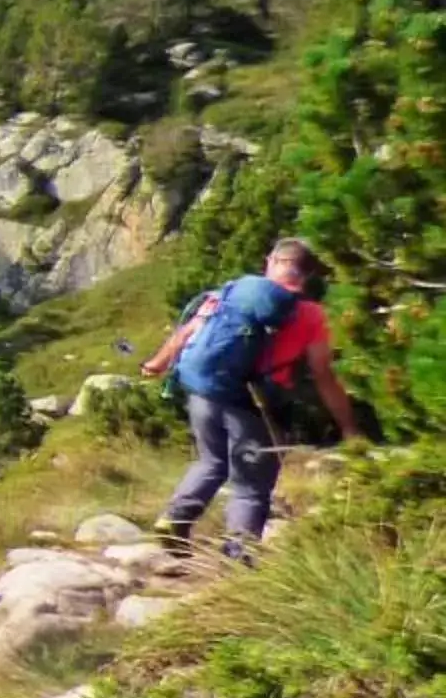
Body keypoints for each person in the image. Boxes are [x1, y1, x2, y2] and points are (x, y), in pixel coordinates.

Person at [140, 237, 361, 558]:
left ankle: (174, 518)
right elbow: (323, 375)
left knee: (211, 462)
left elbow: (187, 332)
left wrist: (157, 363)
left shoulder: (233, 291)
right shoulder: (310, 315)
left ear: (270, 260)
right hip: (253, 405)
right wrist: (348, 426)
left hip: (204, 391)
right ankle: (238, 555)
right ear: (308, 274)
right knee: (252, 486)